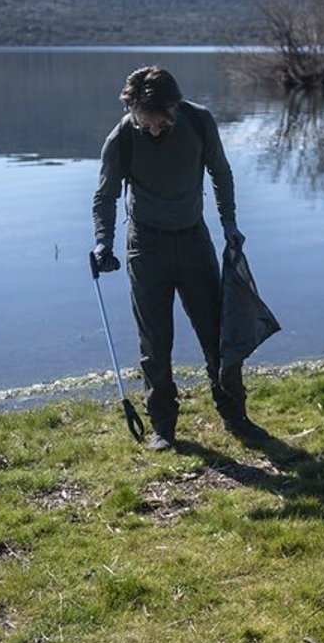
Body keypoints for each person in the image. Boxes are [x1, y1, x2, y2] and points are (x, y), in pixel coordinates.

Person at [91, 65, 268, 451]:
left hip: (193, 242)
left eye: (159, 121)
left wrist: (230, 223)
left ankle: (236, 416)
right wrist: (103, 242)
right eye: (144, 122)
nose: (152, 129)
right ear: (132, 110)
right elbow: (104, 196)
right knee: (155, 342)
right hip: (145, 248)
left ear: (174, 106)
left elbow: (221, 174)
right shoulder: (123, 136)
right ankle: (163, 428)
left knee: (216, 336)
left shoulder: (199, 122)